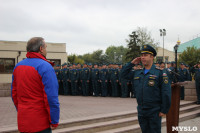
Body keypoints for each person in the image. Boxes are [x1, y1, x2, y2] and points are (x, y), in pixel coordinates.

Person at [11, 37, 60, 133]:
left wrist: (22, 110)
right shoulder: (45, 66)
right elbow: (51, 98)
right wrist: (54, 120)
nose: (46, 50)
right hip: (40, 123)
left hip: (23, 121)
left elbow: (14, 94)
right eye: (45, 47)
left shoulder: (18, 66)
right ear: (41, 49)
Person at [121, 44, 171, 133]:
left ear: (152, 57)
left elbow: (166, 92)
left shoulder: (160, 72)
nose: (143, 57)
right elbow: (123, 75)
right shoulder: (137, 72)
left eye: (145, 55)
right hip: (141, 110)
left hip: (154, 110)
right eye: (142, 55)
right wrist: (131, 63)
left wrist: (164, 109)